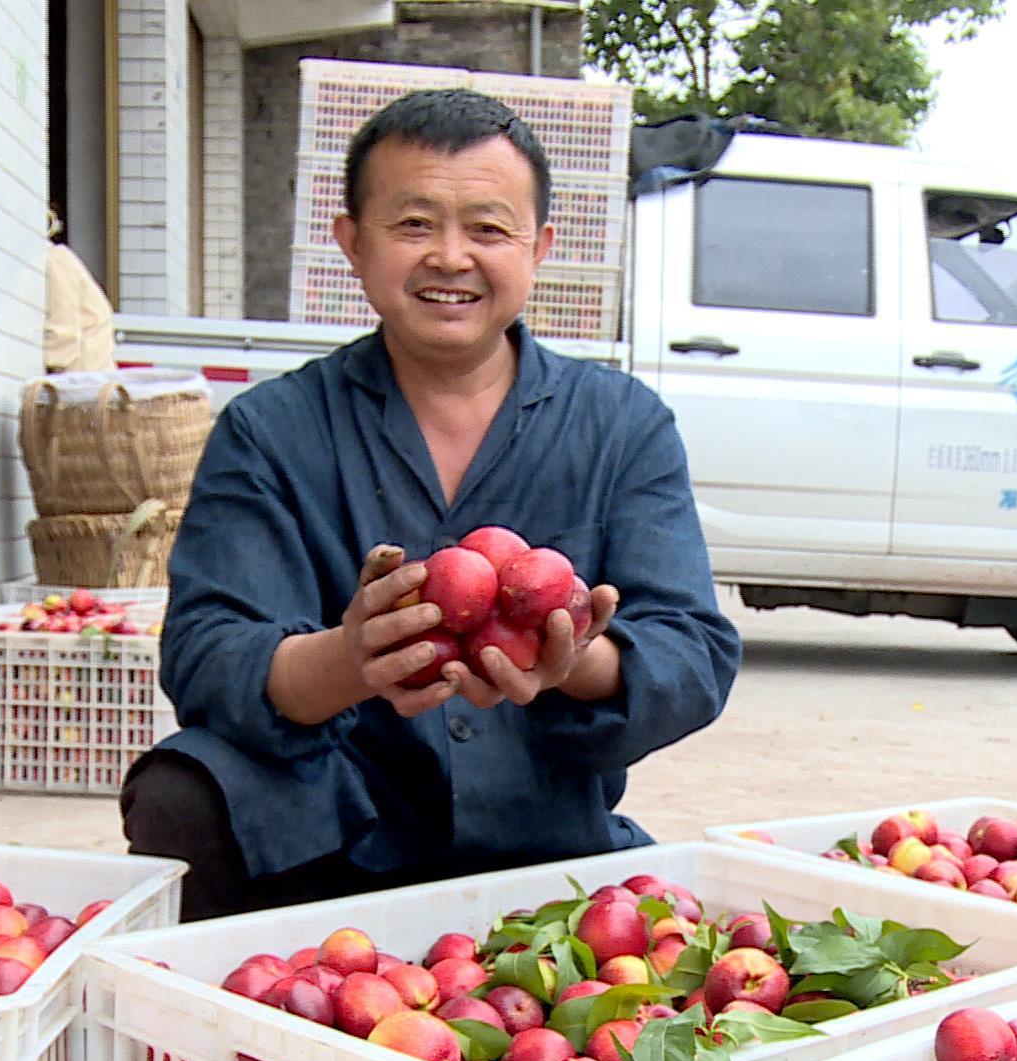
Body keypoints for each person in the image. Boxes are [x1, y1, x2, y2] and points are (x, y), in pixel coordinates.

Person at [120, 89, 741, 921]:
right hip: (327, 837)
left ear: (539, 247)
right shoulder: (270, 431)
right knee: (182, 787)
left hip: (546, 841)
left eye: (488, 228)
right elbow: (207, 654)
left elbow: (693, 651)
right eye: (414, 225)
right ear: (352, 243)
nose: (450, 257)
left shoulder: (621, 426)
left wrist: (577, 661)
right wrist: (350, 658)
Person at [43, 204, 117, 374]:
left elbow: (63, 340)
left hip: (82, 384)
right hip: (89, 382)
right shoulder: (54, 260)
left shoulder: (55, 260)